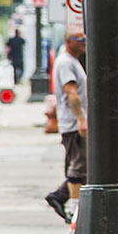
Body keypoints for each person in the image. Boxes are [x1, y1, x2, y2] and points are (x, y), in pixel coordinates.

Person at [44, 30, 87, 223]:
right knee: (80, 166)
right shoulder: (66, 63)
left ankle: (61, 197)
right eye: (81, 40)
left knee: (82, 165)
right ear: (69, 42)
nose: (85, 43)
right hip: (73, 124)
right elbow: (71, 92)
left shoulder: (72, 61)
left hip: (74, 123)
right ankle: (74, 209)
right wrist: (81, 119)